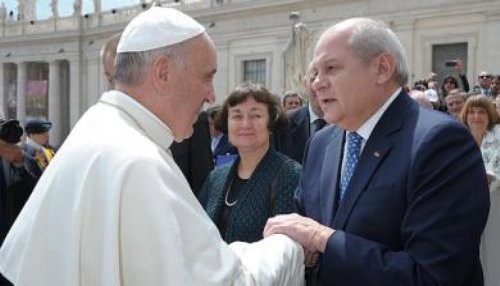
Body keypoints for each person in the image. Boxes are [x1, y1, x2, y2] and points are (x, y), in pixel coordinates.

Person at [0, 7, 304, 285]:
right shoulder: (139, 162)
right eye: (206, 77)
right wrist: (287, 246)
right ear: (163, 73)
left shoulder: (97, 126)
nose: (212, 95)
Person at [264, 17, 489, 285]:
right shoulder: (321, 144)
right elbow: (305, 236)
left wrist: (323, 239)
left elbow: (431, 275)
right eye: (315, 73)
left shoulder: (441, 143)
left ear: (382, 68)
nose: (316, 84)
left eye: (331, 68)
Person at [100, 30, 213, 195]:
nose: (121, 88)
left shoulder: (190, 119)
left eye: (128, 77)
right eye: (114, 80)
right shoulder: (107, 128)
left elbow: (203, 183)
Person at [198, 83, 301, 243]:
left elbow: (283, 249)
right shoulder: (216, 177)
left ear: (271, 123)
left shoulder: (289, 175)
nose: (245, 124)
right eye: (237, 116)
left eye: (256, 116)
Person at [458, 95, 500, 286]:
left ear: (490, 114)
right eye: (472, 111)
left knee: (492, 250)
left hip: (494, 201)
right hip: (462, 204)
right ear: (465, 115)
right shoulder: (457, 137)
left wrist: (489, 176)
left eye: (482, 111)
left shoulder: (498, 135)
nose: (476, 116)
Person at [274, 62, 326, 163]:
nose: (320, 85)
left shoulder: (350, 124)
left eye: (327, 79)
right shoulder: (283, 124)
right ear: (305, 83)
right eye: (313, 79)